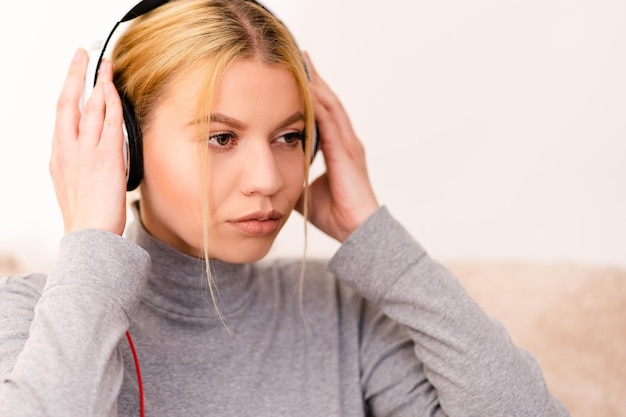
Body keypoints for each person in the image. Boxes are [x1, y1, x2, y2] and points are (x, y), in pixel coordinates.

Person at [0, 0, 570, 416]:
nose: (270, 180)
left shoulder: (342, 313)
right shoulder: (33, 319)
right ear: (125, 148)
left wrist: (379, 242)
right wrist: (92, 244)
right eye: (221, 138)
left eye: (290, 137)